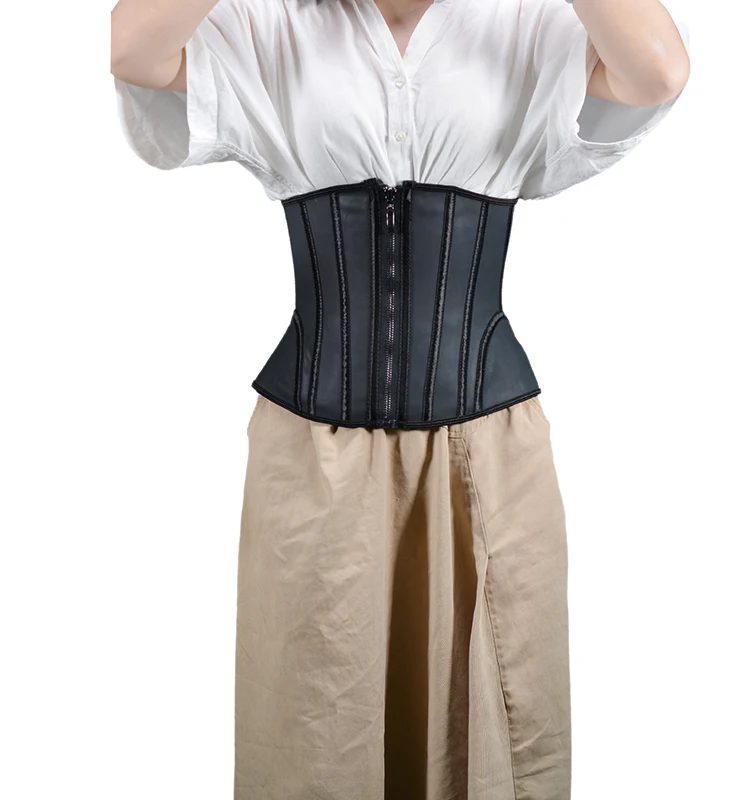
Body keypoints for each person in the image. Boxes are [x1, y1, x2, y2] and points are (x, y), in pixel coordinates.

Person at [110, 0, 690, 797]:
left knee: (490, 730)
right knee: (315, 734)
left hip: (488, 458)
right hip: (313, 461)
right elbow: (132, 50)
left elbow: (658, 71)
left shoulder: (521, 24)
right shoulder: (277, 27)